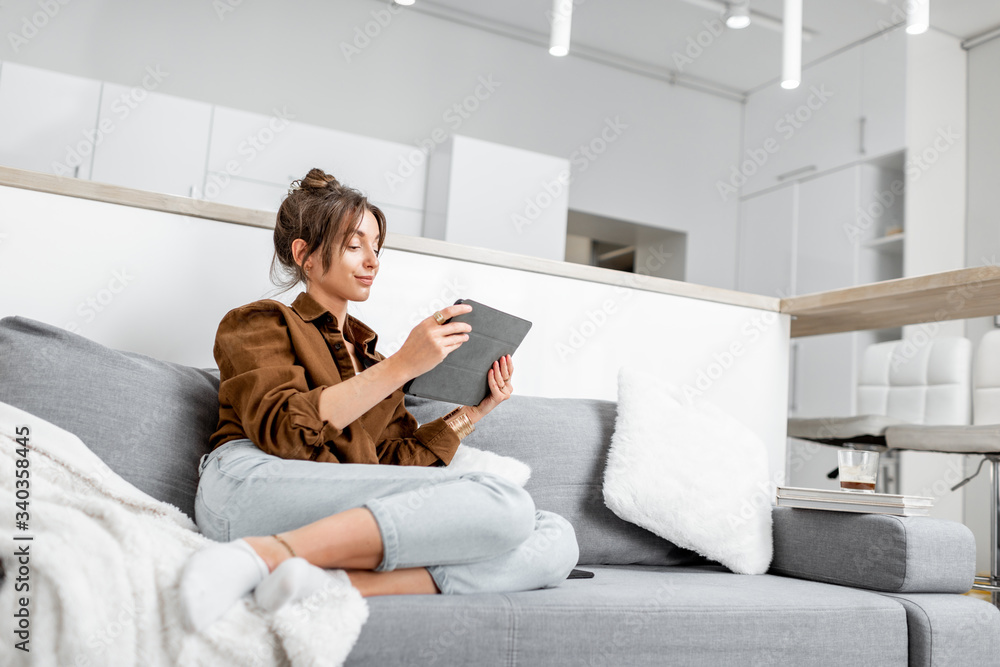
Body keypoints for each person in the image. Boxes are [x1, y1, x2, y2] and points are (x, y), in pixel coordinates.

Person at [178, 168, 579, 632]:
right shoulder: (258, 322)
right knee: (504, 503)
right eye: (354, 245)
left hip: (337, 501)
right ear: (304, 255)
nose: (372, 261)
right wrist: (405, 365)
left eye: (376, 247)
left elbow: (396, 468)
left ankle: (327, 583)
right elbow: (284, 435)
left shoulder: (373, 362)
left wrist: (475, 410)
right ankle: (263, 556)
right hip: (251, 484)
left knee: (554, 534)